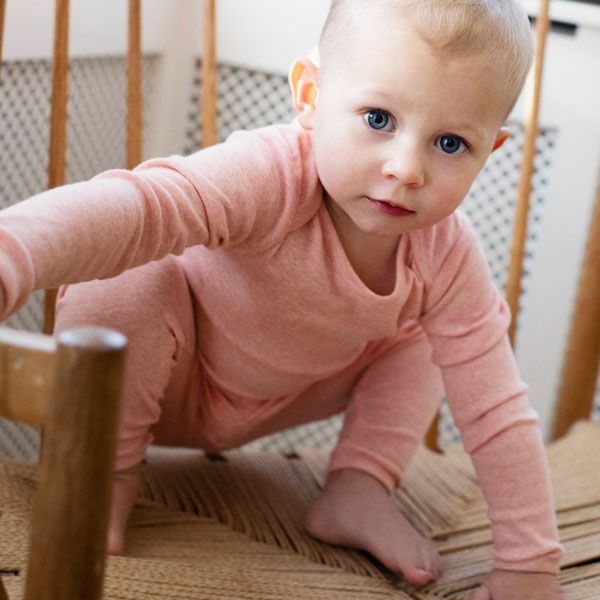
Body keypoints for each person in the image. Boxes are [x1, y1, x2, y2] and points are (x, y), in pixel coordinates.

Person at [0, 1, 566, 597]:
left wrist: (529, 563)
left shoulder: (445, 253)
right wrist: (12, 256)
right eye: (378, 118)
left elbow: (496, 406)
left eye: (450, 143)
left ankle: (360, 485)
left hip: (288, 395)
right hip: (164, 378)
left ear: (490, 151)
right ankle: (105, 479)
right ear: (311, 96)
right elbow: (143, 206)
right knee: (125, 273)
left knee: (433, 327)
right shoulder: (268, 174)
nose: (406, 169)